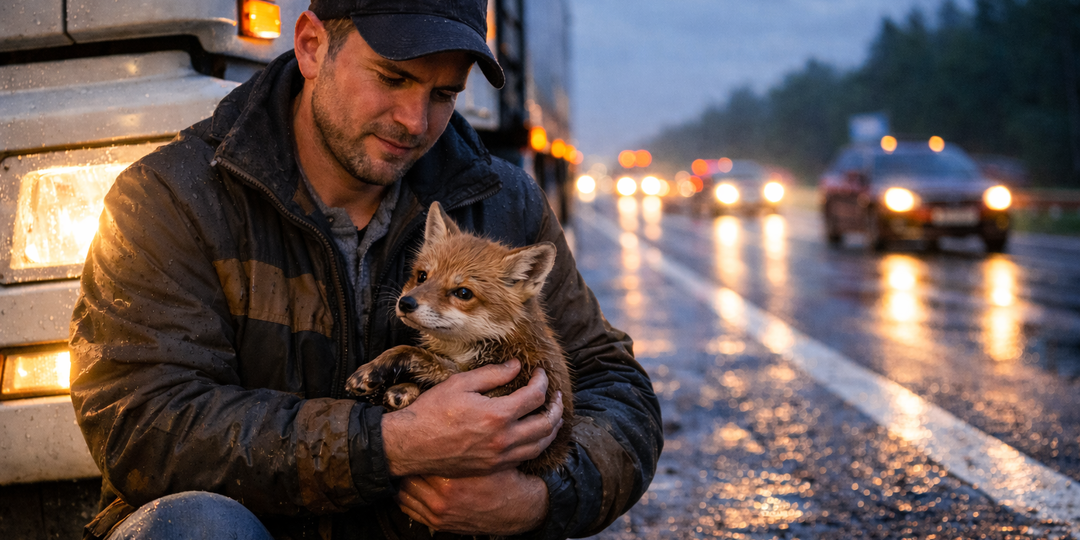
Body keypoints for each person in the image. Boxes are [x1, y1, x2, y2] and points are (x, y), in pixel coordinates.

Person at [69, 0, 663, 539]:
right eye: (392, 77)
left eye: (443, 94)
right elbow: (143, 423)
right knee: (193, 529)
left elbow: (618, 388)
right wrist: (391, 445)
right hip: (255, 529)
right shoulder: (168, 198)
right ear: (310, 46)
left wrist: (534, 499)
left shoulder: (504, 204)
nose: (414, 120)